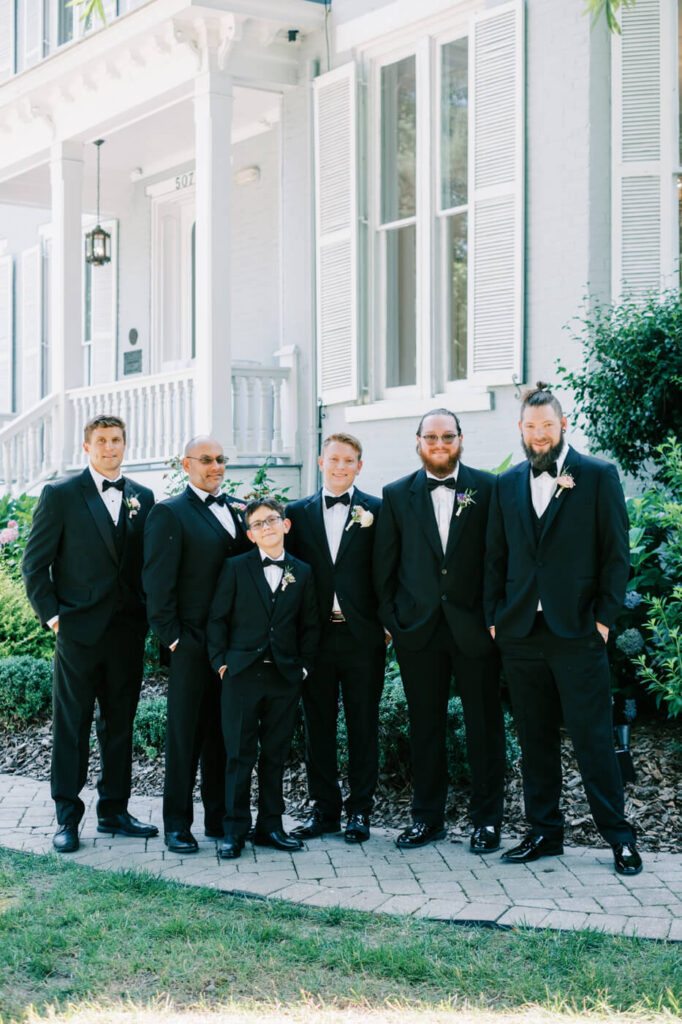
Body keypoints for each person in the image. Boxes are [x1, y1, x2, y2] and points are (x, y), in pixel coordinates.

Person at [484, 382, 641, 875]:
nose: (539, 435)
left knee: (593, 738)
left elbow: (617, 555)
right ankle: (544, 833)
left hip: (576, 631)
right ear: (521, 430)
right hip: (520, 634)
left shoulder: (596, 475)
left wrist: (602, 620)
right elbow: (495, 556)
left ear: (563, 423)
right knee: (535, 740)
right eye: (531, 428)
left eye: (547, 426)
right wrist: (495, 619)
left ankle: (619, 838)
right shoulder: (505, 483)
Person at [22, 414, 157, 853]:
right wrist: (54, 617)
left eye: (117, 439)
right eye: (101, 440)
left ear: (125, 444)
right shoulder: (60, 495)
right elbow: (34, 565)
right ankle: (67, 817)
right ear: (87, 447)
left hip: (126, 634)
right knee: (72, 727)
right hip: (78, 633)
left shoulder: (143, 497)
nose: (110, 447)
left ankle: (114, 810)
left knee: (119, 724)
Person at [373, 410, 506, 850]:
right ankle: (427, 818)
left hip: (474, 630)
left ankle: (487, 821)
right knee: (425, 727)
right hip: (419, 633)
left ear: (460, 439)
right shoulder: (395, 495)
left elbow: (498, 559)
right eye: (431, 436)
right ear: (418, 441)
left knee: (483, 727)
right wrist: (395, 623)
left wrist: (493, 620)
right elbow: (384, 569)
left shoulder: (488, 488)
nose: (439, 443)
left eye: (447, 435)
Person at [142, 436, 250, 853]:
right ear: (186, 465)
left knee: (223, 736)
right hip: (189, 644)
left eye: (221, 459)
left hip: (232, 646)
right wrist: (173, 640)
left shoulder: (239, 510)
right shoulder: (169, 513)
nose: (216, 466)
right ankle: (176, 825)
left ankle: (219, 819)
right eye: (207, 460)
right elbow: (156, 583)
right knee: (185, 737)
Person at [206, 498, 319, 860]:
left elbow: (311, 624)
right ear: (250, 535)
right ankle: (234, 829)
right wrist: (221, 663)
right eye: (257, 524)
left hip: (284, 676)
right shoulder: (236, 568)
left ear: (286, 525)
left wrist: (302, 667)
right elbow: (217, 619)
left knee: (275, 755)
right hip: (241, 675)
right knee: (239, 754)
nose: (266, 527)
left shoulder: (302, 572)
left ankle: (271, 825)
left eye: (272, 520)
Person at [286, 433, 384, 844]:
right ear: (321, 461)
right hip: (316, 637)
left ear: (359, 466)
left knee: (363, 724)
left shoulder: (378, 510)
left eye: (350, 461)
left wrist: (388, 623)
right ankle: (324, 809)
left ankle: (360, 811)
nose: (341, 467)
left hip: (363, 636)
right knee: (318, 725)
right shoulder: (297, 513)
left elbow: (388, 568)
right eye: (335, 459)